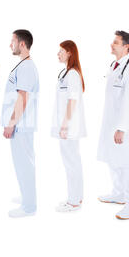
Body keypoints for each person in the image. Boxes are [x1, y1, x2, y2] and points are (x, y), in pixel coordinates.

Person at [97, 30, 129, 220]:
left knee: (128, 163)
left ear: (126, 46)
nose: (112, 44)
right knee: (113, 159)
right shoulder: (115, 66)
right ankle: (119, 193)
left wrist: (122, 127)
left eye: (116, 42)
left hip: (124, 127)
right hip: (111, 123)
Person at [1, 29, 40, 218]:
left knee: (24, 164)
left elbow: (23, 98)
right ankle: (27, 196)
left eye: (13, 41)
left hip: (21, 125)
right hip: (20, 124)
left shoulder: (26, 67)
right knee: (21, 163)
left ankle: (29, 206)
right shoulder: (22, 65)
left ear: (22, 44)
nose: (10, 44)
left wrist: (11, 123)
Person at [51, 40, 86, 212]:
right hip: (65, 126)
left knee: (71, 163)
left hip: (69, 128)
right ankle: (76, 198)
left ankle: (74, 202)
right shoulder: (65, 73)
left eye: (61, 51)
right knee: (72, 162)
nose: (58, 54)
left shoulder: (72, 74)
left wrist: (65, 125)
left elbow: (73, 100)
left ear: (70, 53)